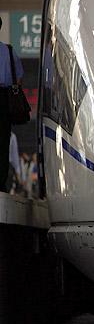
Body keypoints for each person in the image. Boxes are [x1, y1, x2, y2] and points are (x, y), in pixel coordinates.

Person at [0, 16, 24, 192]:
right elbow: (19, 78)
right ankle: (1, 183)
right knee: (2, 143)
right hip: (3, 101)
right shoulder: (9, 51)